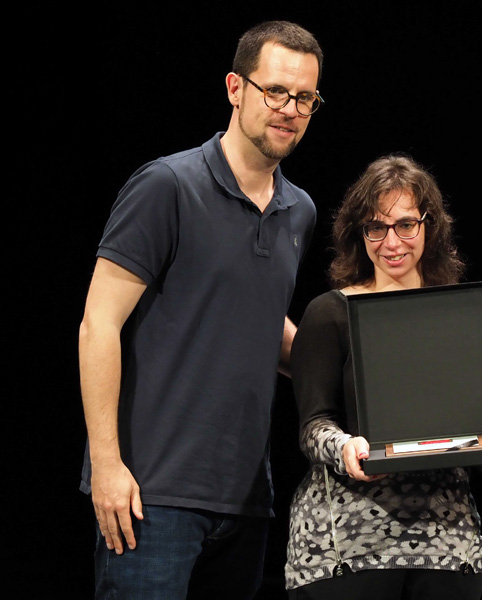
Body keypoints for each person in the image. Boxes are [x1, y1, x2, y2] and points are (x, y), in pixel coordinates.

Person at [78, 20, 323, 599]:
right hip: (149, 495)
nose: (289, 108)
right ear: (236, 88)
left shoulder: (299, 210)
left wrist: (362, 364)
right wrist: (107, 468)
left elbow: (258, 324)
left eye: (305, 98)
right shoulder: (167, 185)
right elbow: (98, 325)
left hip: (243, 500)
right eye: (275, 91)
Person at [284, 154, 482, 600]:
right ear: (360, 233)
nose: (391, 241)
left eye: (406, 224)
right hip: (347, 548)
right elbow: (313, 427)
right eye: (376, 227)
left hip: (448, 547)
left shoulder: (459, 316)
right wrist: (345, 447)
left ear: (429, 227)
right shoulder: (330, 313)